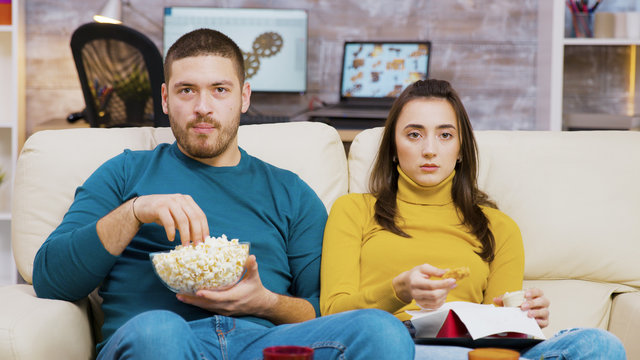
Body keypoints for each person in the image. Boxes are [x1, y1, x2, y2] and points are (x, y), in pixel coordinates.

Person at [32, 29, 414, 360]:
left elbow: (324, 309)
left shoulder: (290, 192)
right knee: (159, 331)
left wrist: (267, 303)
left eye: (219, 90)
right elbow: (51, 279)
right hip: (159, 341)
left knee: (380, 330)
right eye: (187, 91)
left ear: (243, 97)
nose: (203, 108)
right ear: (165, 99)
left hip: (264, 343)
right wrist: (134, 212)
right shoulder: (125, 172)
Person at [319, 79, 626, 359]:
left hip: (476, 352)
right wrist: (398, 290)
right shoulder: (353, 211)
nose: (429, 150)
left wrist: (523, 316)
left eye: (445, 135)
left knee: (601, 345)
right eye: (414, 134)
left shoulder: (498, 227)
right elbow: (333, 314)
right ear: (394, 150)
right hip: (396, 347)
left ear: (461, 148)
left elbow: (500, 329)